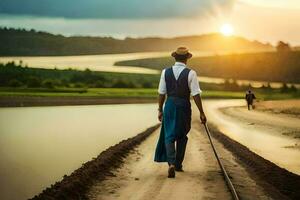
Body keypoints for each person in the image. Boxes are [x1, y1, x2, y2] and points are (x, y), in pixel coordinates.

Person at [154, 47, 207, 178]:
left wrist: (160, 109)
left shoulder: (165, 72)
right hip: (184, 105)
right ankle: (178, 165)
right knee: (182, 135)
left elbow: (161, 93)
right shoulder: (191, 73)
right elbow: (195, 94)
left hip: (170, 104)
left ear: (175, 57)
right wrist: (201, 112)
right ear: (186, 59)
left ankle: (171, 163)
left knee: (169, 135)